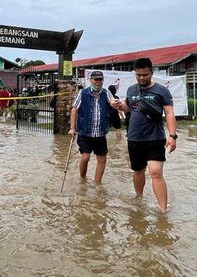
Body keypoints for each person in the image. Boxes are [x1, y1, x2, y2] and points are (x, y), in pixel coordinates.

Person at [112, 57, 177, 213]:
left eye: (145, 75)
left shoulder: (162, 90)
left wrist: (172, 136)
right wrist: (118, 105)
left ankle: (163, 210)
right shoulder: (132, 90)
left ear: (151, 73)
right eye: (138, 75)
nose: (141, 78)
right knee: (138, 170)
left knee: (155, 171)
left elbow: (169, 113)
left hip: (155, 137)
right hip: (134, 137)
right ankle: (139, 198)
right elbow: (128, 108)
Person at [69, 70, 114, 184]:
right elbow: (74, 110)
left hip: (100, 133)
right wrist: (72, 128)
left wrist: (116, 104)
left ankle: (97, 183)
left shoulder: (106, 92)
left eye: (100, 80)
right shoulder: (83, 93)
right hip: (85, 132)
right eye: (96, 79)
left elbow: (112, 102)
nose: (98, 82)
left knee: (102, 159)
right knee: (85, 157)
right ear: (91, 80)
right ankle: (83, 178)